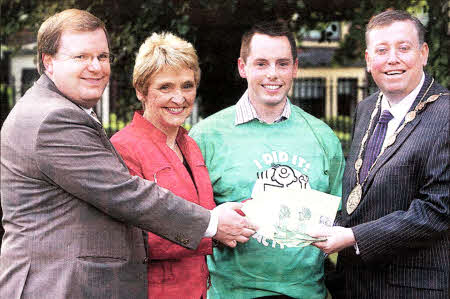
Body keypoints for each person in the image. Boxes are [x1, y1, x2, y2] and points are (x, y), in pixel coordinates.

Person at [0, 9, 255, 299]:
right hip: (56, 285)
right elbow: (125, 194)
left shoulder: (60, 109)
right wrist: (212, 224)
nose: (95, 67)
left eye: (103, 56)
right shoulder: (53, 118)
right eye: (81, 57)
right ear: (49, 62)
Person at [189, 20, 345, 298]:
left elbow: (340, 218)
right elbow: (185, 219)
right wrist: (213, 228)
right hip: (231, 293)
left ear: (295, 68)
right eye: (261, 63)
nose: (273, 74)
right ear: (242, 67)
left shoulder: (323, 137)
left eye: (282, 64)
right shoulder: (205, 137)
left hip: (306, 293)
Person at [309, 10, 449, 298]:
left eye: (404, 48)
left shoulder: (446, 114)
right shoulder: (367, 108)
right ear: (368, 59)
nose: (392, 59)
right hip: (355, 285)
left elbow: (438, 210)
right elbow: (362, 191)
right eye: (382, 50)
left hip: (413, 290)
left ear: (423, 53)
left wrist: (353, 237)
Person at [110, 32, 215, 299]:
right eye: (165, 87)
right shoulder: (124, 148)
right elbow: (134, 239)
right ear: (141, 91)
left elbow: (203, 211)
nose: (179, 98)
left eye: (187, 86)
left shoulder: (190, 145)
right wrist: (214, 228)